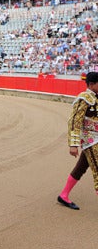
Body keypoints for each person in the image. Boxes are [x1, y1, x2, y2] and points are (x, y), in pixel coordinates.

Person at [58, 72, 98, 210]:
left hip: (95, 139)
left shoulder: (96, 97)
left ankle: (63, 195)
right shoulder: (84, 98)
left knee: (81, 168)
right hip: (90, 140)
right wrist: (73, 144)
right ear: (92, 84)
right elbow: (75, 120)